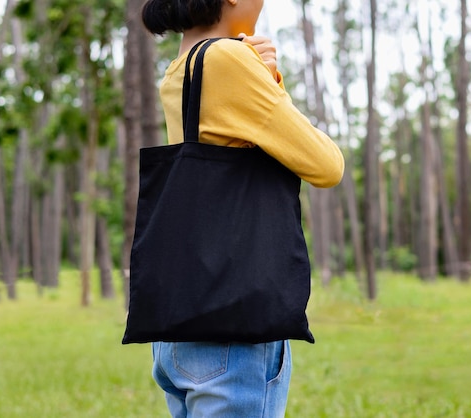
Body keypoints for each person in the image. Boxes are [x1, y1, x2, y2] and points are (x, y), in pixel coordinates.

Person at [139, 1, 345, 417]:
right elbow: (326, 165)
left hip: (181, 328)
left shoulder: (182, 66)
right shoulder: (229, 58)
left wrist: (263, 76)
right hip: (234, 328)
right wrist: (272, 83)